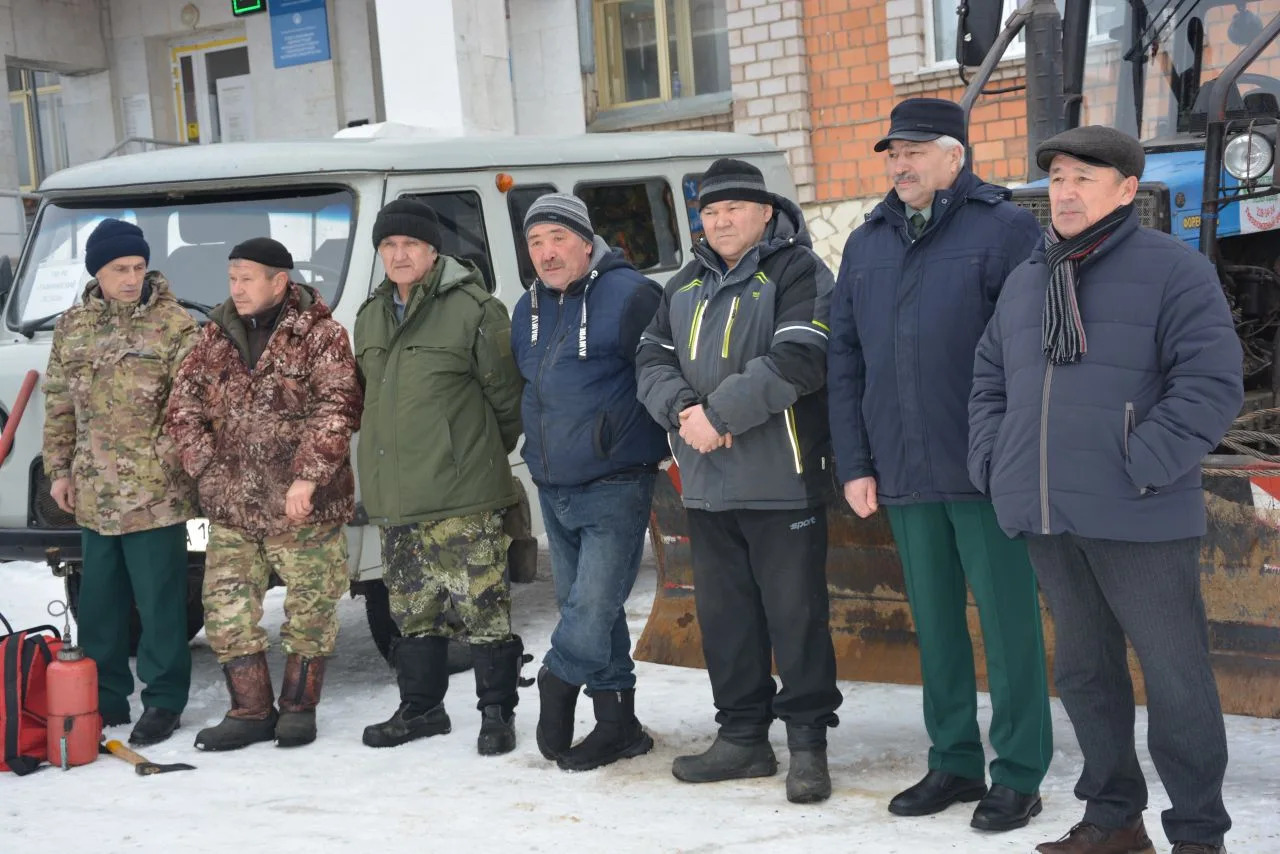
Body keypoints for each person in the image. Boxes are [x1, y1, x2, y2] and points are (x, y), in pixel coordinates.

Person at [969, 125, 1241, 854]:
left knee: (1176, 678)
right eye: (1057, 178)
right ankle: (1115, 819)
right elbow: (990, 380)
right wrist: (996, 461)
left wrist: (1141, 462)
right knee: (1087, 674)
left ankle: (1198, 834)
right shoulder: (1028, 278)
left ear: (1126, 190)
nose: (1065, 192)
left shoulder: (1174, 269)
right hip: (1048, 511)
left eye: (1083, 179)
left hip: (1138, 511)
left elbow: (1211, 382)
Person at [827, 97, 1051, 831]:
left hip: (984, 469)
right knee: (935, 624)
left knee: (1009, 625)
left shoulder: (1006, 229)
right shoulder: (866, 243)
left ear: (955, 155)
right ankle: (953, 760)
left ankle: (1018, 772)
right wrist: (857, 462)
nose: (901, 165)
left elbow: (1032, 353)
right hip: (902, 468)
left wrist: (1015, 453)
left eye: (915, 151)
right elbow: (845, 360)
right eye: (893, 153)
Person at [636, 158, 841, 804]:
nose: (721, 221)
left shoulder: (798, 271)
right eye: (710, 211)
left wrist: (719, 415)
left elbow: (801, 357)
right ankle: (743, 737)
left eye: (734, 209)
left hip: (783, 482)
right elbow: (651, 358)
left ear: (765, 212)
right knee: (725, 620)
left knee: (796, 618)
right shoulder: (684, 283)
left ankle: (808, 745)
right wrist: (683, 413)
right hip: (707, 483)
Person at [164, 237, 361, 751]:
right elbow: (182, 408)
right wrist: (207, 468)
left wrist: (308, 477)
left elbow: (337, 407)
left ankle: (298, 709)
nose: (237, 288)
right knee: (224, 609)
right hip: (233, 508)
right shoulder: (214, 336)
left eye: (247, 279)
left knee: (312, 609)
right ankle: (250, 711)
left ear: (279, 282)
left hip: (302, 508)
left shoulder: (322, 335)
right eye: (232, 278)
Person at [354, 198, 525, 755]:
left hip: (462, 495)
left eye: (410, 244)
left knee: (484, 609)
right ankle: (422, 709)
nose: (399, 255)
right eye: (389, 245)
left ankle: (496, 713)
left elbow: (507, 400)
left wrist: (469, 457)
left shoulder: (475, 308)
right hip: (398, 496)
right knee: (411, 611)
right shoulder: (370, 315)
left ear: (433, 250)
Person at [510, 193, 667, 772]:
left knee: (592, 606)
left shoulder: (631, 296)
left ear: (585, 241)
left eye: (557, 238)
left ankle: (558, 677)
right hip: (553, 482)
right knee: (591, 609)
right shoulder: (527, 306)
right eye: (535, 242)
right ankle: (619, 725)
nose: (547, 253)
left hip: (615, 478)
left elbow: (662, 373)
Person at [42, 218, 199, 747]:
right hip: (94, 492)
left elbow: (192, 408)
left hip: (155, 493)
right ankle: (105, 697)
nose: (132, 278)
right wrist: (59, 470)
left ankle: (164, 699)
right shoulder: (72, 326)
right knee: (100, 606)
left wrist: (166, 459)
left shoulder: (174, 325)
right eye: (119, 269)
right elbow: (59, 403)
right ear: (97, 273)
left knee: (159, 605)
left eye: (138, 267)